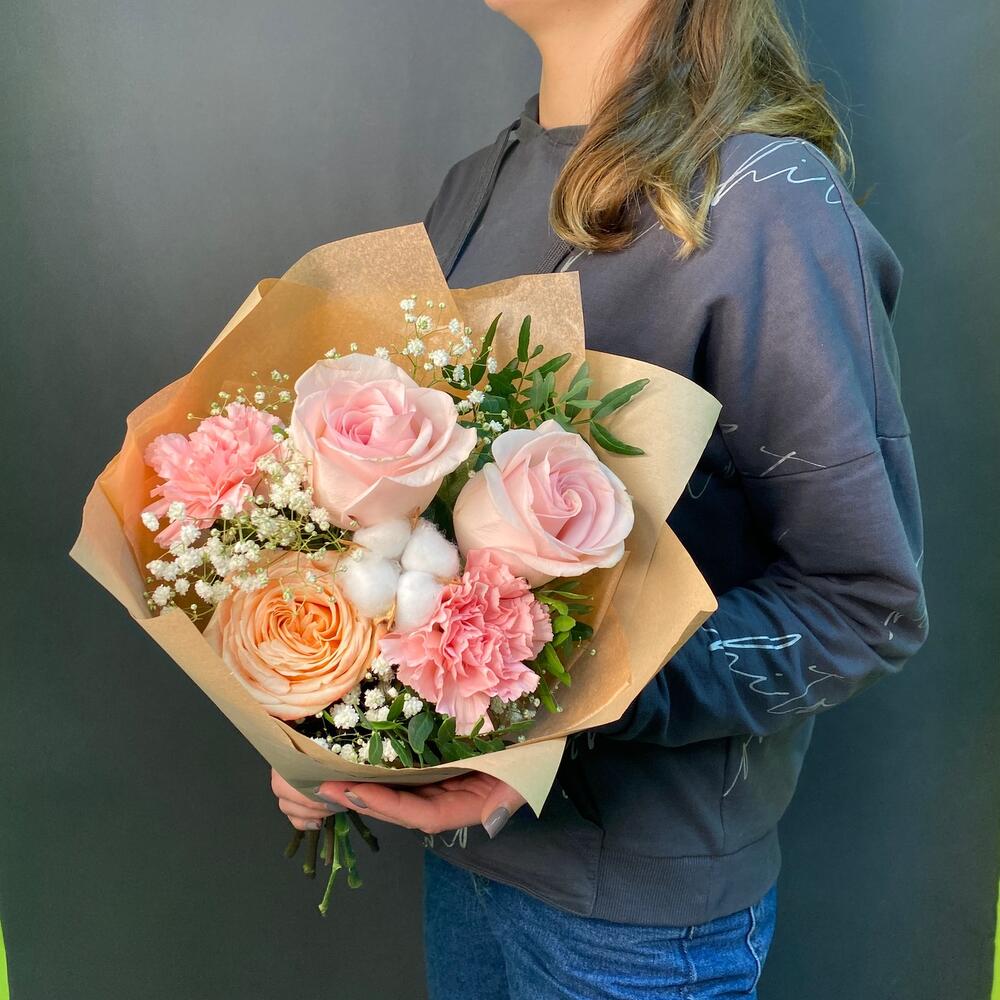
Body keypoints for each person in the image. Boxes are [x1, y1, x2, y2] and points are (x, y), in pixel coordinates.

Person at [271, 0, 929, 995]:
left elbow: (861, 604)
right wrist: (329, 717)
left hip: (634, 923)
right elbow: (409, 530)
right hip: (471, 868)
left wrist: (559, 711)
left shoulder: (764, 202)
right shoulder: (475, 185)